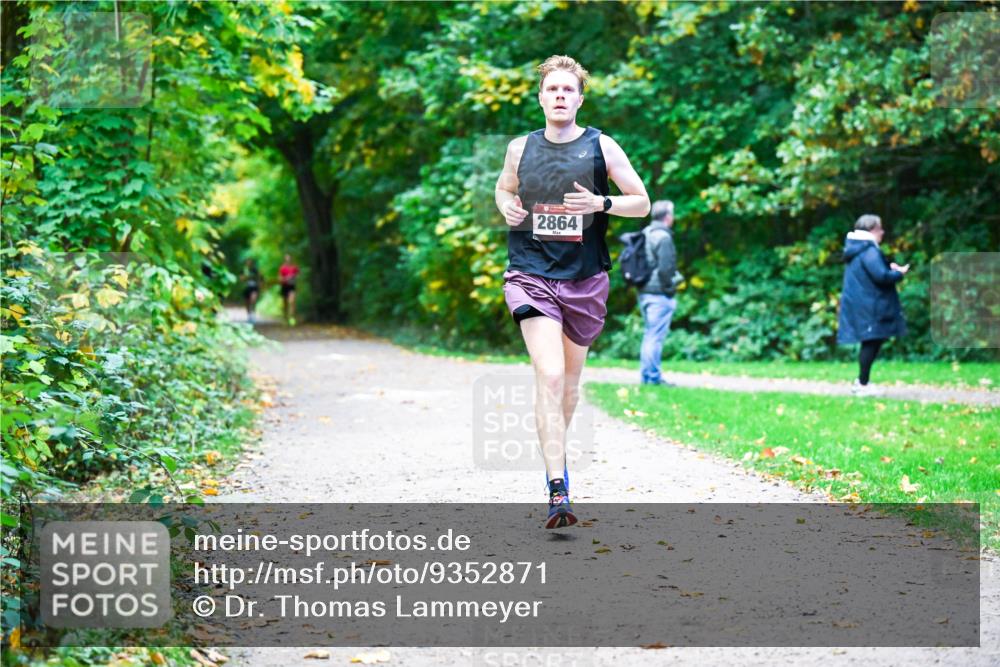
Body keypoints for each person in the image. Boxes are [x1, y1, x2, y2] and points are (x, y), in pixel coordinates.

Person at [495, 55, 650, 528]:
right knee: (551, 375)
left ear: (579, 99)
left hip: (583, 281)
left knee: (569, 386)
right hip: (530, 274)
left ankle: (555, 448)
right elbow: (504, 189)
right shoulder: (520, 148)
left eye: (568, 90)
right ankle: (557, 485)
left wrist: (601, 202)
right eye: (552, 89)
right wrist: (507, 208)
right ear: (541, 98)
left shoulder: (602, 146)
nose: (560, 96)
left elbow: (640, 202)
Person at [837, 214, 909, 396]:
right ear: (872, 230)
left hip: (863, 304)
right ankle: (862, 384)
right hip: (870, 305)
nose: (883, 232)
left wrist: (889, 270)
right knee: (872, 342)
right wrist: (898, 273)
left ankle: (862, 382)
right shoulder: (869, 251)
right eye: (880, 229)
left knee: (872, 342)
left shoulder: (857, 249)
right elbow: (881, 277)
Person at [637, 200, 679, 386]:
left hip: (644, 291)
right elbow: (665, 269)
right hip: (659, 293)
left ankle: (647, 376)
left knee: (650, 335)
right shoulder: (663, 237)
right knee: (655, 337)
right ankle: (653, 378)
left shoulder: (646, 233)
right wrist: (670, 289)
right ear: (668, 217)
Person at [278, 254, 300, 326]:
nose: (288, 259)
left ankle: (292, 318)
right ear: (285, 259)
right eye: (287, 258)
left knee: (292, 301)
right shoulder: (282, 268)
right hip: (284, 286)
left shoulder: (294, 267)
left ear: (291, 259)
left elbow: (298, 276)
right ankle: (285, 318)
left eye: (289, 258)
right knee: (285, 304)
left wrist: (293, 277)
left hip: (292, 286)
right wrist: (286, 278)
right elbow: (280, 278)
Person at [241, 258, 261, 324]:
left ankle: (253, 314)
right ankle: (249, 315)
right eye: (247, 262)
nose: (249, 263)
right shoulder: (244, 270)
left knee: (253, 300)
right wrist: (246, 277)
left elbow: (259, 277)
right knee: (247, 302)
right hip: (246, 287)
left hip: (254, 287)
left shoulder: (255, 270)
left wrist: (260, 285)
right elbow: (241, 278)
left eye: (250, 262)